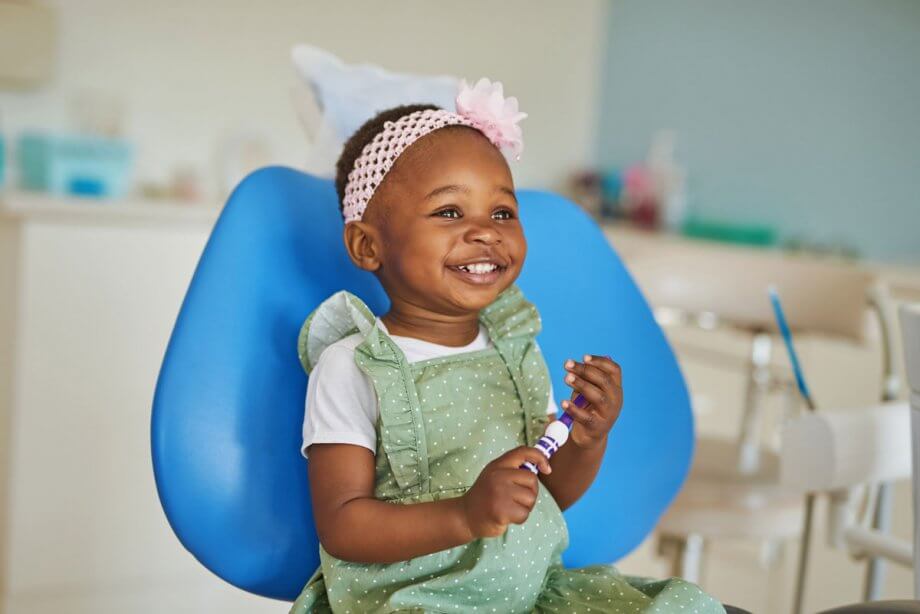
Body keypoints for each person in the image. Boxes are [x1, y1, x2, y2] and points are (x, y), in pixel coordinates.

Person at [291, 78, 724, 613]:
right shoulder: (354, 365)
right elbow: (343, 524)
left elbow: (546, 495)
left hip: (531, 596)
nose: (486, 232)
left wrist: (587, 440)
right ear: (367, 245)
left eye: (502, 213)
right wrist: (464, 516)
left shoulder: (514, 351)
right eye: (450, 212)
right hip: (417, 602)